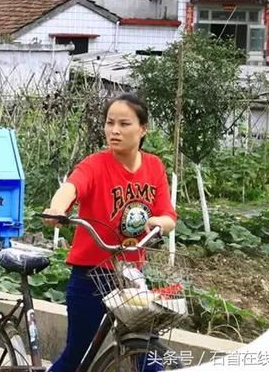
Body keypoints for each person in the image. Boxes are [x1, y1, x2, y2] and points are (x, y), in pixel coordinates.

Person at [42, 94, 177, 372]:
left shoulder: (154, 166)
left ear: (143, 129)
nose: (114, 130)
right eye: (109, 123)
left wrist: (159, 222)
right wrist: (57, 208)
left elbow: (168, 215)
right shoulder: (96, 164)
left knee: (147, 352)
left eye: (124, 123)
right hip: (90, 275)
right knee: (77, 357)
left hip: (129, 275)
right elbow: (72, 186)